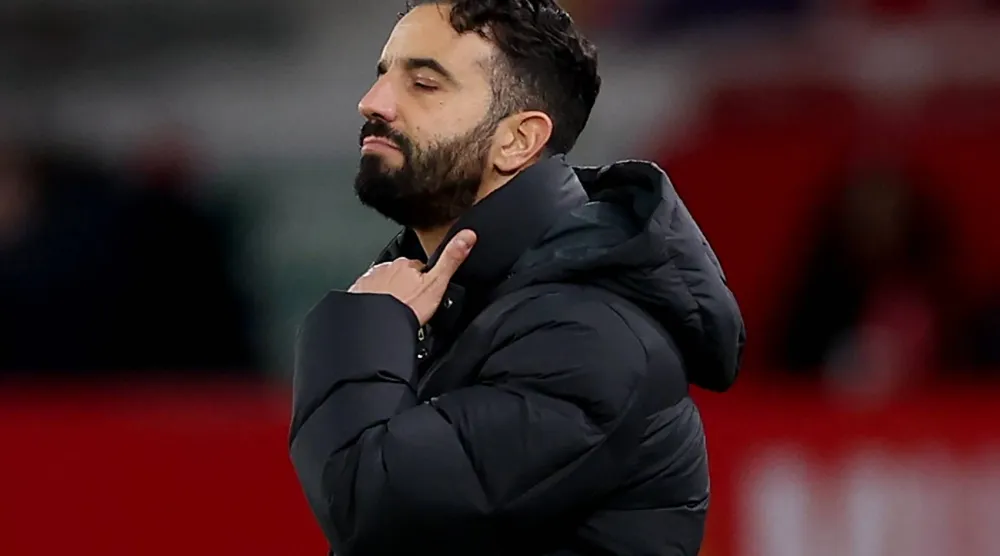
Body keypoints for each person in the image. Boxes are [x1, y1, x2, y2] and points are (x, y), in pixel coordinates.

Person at [289, 1, 745, 555]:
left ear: (517, 141)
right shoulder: (473, 303)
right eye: (383, 73)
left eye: (424, 83)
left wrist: (360, 328)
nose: (373, 102)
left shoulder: (591, 336)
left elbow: (371, 505)